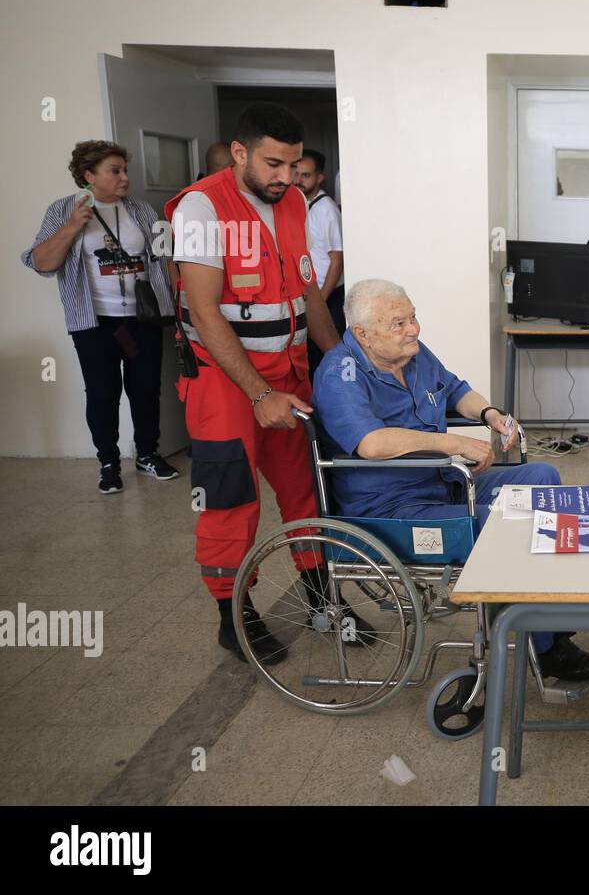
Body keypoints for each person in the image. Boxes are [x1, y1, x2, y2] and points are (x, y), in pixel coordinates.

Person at [312, 278, 589, 681]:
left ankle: (547, 608)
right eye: (398, 323)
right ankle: (549, 647)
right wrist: (452, 443)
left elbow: (454, 389)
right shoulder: (340, 373)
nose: (414, 329)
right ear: (362, 334)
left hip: (441, 484)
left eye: (413, 317)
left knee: (542, 475)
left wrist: (490, 414)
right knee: (503, 525)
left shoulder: (409, 355)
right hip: (392, 510)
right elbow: (371, 443)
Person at [167, 102, 352, 664]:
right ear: (241, 152)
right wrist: (258, 394)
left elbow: (309, 294)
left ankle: (323, 602)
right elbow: (204, 312)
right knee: (231, 499)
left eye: (294, 166)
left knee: (307, 488)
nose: (284, 178)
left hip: (289, 371)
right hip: (226, 381)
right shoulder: (202, 207)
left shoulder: (294, 203)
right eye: (273, 164)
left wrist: (344, 363)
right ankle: (233, 615)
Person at [21, 140, 179, 493]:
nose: (125, 178)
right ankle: (108, 461)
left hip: (141, 320)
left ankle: (148, 453)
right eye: (115, 171)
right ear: (88, 175)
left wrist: (180, 307)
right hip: (96, 323)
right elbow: (41, 263)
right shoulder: (63, 210)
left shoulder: (142, 210)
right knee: (103, 392)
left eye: (125, 170)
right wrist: (74, 226)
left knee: (145, 388)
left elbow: (167, 261)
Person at [294, 149, 345, 376]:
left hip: (328, 295)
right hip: (309, 295)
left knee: (326, 357)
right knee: (309, 357)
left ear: (319, 177)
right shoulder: (296, 204)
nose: (298, 180)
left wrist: (321, 300)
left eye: (306, 175)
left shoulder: (327, 210)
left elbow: (337, 259)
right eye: (297, 174)